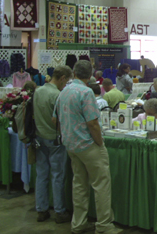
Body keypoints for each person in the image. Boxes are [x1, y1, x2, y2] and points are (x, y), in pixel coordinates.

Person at [53, 60, 120, 234]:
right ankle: (104, 225)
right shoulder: (86, 92)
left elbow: (55, 120)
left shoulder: (63, 92)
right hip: (88, 145)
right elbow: (93, 123)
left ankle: (79, 223)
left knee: (79, 185)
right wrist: (100, 143)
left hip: (71, 145)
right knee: (101, 185)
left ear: (74, 73)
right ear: (90, 75)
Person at [33, 66, 72, 223]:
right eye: (67, 81)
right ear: (62, 78)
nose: (66, 85)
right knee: (57, 176)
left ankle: (41, 210)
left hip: (38, 137)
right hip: (54, 139)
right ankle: (59, 211)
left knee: (41, 175)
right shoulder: (57, 95)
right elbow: (60, 120)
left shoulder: (38, 91)